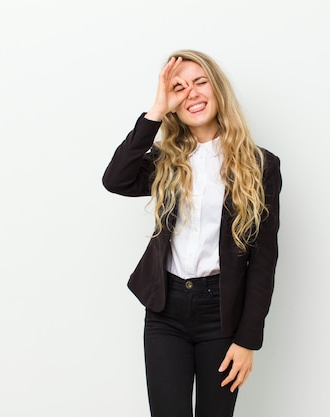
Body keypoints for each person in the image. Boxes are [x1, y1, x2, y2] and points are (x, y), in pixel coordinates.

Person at [102, 49, 282, 417]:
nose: (192, 93)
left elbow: (264, 260)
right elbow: (115, 179)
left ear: (217, 88)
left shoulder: (261, 165)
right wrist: (155, 111)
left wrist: (248, 340)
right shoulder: (164, 161)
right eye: (179, 88)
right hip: (165, 309)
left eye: (200, 82)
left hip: (221, 313)